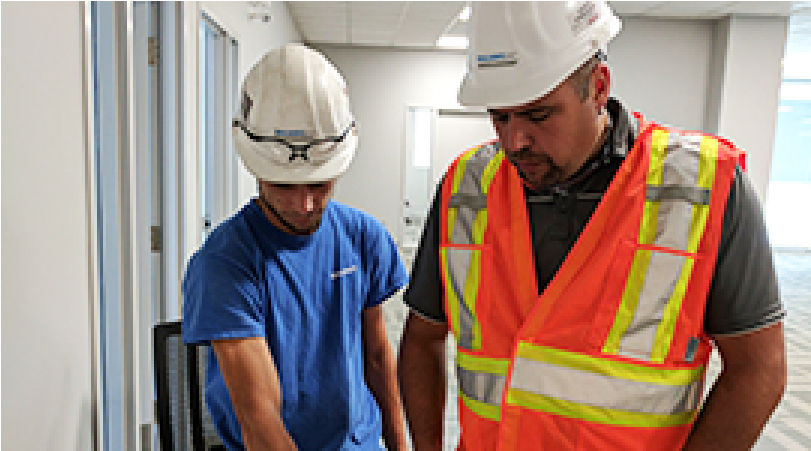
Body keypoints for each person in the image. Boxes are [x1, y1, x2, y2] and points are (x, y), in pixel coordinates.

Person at [397, 2, 787, 450]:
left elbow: (759, 369)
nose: (514, 141)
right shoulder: (467, 188)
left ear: (598, 86)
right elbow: (423, 338)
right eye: (500, 117)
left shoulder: (703, 187)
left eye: (539, 115)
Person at [183, 43, 408, 451]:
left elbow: (376, 356)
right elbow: (259, 416)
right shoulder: (225, 262)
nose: (303, 205)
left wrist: (398, 444)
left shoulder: (364, 237)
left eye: (318, 185)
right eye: (284, 186)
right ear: (256, 169)